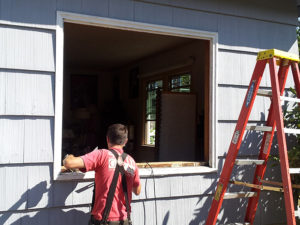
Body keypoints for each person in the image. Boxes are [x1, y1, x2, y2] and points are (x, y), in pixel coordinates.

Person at [63, 124, 141, 225]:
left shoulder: (101, 155)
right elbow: (137, 191)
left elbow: (69, 163)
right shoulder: (131, 162)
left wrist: (69, 156)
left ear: (107, 139)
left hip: (103, 221)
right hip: (124, 220)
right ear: (125, 141)